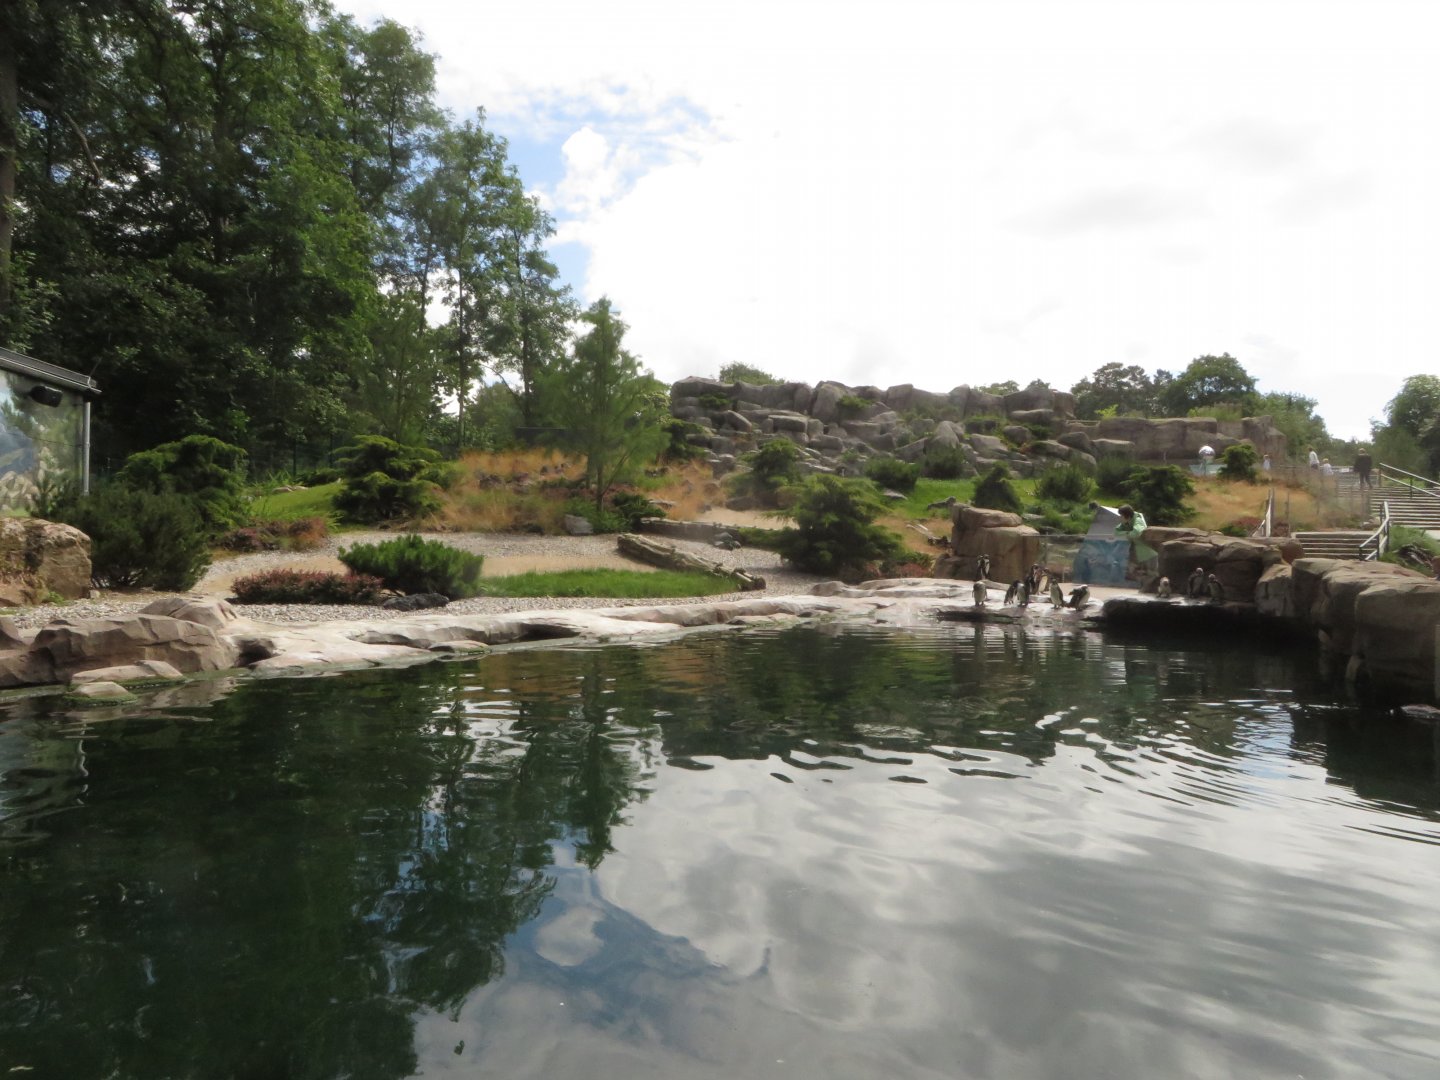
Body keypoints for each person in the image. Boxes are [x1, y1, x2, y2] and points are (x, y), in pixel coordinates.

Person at [1115, 504, 1156, 578]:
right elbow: (1116, 532)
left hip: (1147, 553)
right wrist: (1127, 533)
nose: (1119, 518)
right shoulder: (1126, 522)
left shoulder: (1138, 521)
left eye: (1121, 516)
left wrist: (1127, 534)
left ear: (1127, 516)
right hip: (1136, 552)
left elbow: (1137, 533)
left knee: (1149, 575)